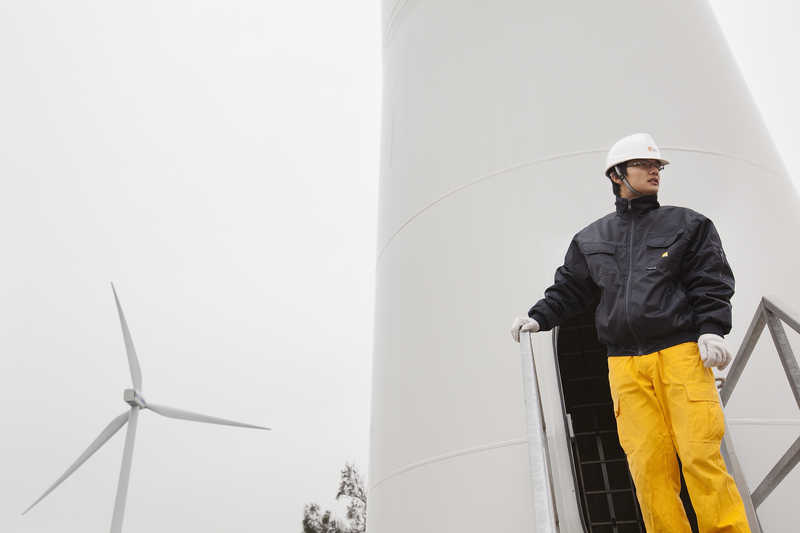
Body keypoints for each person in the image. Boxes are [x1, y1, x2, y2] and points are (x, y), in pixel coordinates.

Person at [510, 133, 751, 532]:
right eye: (645, 164)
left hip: (680, 354)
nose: (655, 170)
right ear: (617, 174)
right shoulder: (591, 239)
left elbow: (710, 279)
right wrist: (539, 317)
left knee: (699, 458)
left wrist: (712, 330)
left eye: (657, 166)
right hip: (624, 366)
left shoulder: (688, 224)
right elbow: (571, 289)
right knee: (648, 468)